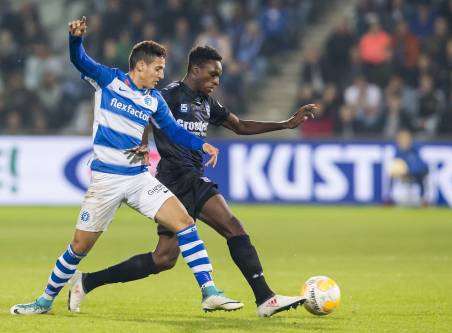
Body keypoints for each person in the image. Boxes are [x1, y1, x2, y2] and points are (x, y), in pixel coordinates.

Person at [10, 17, 242, 315]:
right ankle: (44, 300)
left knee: (184, 222)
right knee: (79, 246)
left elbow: (173, 131)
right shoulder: (109, 80)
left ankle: (209, 291)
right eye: (157, 68)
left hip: (137, 178)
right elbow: (79, 60)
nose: (161, 74)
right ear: (141, 66)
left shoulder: (154, 101)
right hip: (106, 181)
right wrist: (75, 39)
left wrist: (202, 144)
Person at [69, 45, 317, 317]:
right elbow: (142, 112)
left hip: (189, 178)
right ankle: (266, 298)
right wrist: (141, 143)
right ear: (196, 70)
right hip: (177, 178)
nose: (216, 82)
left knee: (163, 258)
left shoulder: (207, 103)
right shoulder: (170, 94)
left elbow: (241, 126)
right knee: (233, 226)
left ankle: (87, 281)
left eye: (218, 77)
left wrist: (285, 123)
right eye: (212, 75)